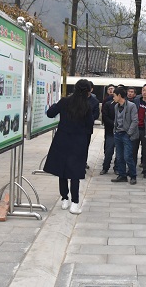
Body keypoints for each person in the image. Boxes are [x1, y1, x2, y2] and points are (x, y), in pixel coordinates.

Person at [43, 79, 94, 214]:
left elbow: (50, 113)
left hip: (62, 139)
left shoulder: (64, 101)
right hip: (78, 142)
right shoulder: (87, 106)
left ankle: (64, 199)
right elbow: (90, 125)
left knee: (63, 170)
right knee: (75, 172)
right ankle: (75, 203)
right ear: (88, 91)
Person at [111, 87, 139, 185]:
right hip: (118, 133)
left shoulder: (131, 106)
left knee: (128, 156)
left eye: (114, 95)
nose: (113, 97)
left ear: (119, 96)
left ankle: (133, 175)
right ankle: (122, 175)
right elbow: (116, 119)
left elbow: (135, 120)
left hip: (127, 134)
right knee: (119, 156)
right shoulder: (116, 106)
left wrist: (129, 133)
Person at [133, 84, 146, 178]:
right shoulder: (136, 100)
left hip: (145, 129)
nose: (144, 92)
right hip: (136, 128)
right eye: (143, 90)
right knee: (133, 150)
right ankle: (132, 170)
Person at [100, 84, 116, 175]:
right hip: (110, 130)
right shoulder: (107, 103)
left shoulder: (125, 105)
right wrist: (113, 124)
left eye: (112, 89)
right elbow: (105, 116)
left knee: (120, 153)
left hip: (121, 131)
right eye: (109, 89)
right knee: (109, 150)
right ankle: (105, 167)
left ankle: (117, 168)